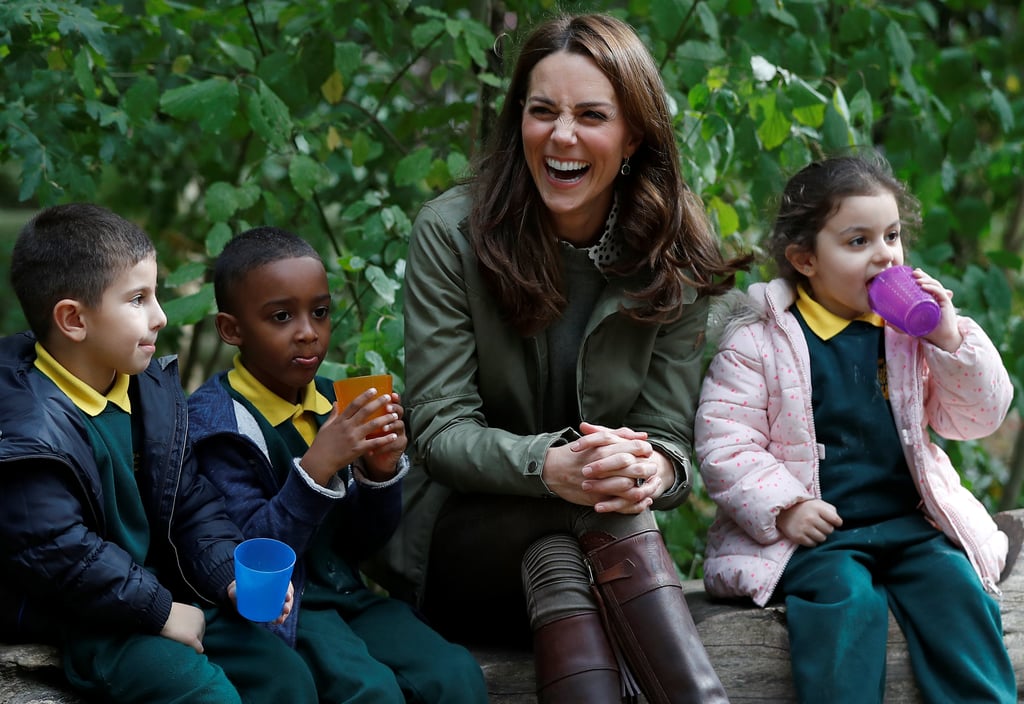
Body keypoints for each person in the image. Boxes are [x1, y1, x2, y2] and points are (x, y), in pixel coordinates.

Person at [366, 12, 750, 704]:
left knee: (565, 556)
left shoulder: (673, 254)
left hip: (587, 557)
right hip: (458, 544)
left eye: (591, 115)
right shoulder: (453, 233)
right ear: (519, 120)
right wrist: (552, 466)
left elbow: (670, 444)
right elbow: (442, 434)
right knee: (599, 511)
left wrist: (651, 466)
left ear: (633, 133)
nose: (561, 136)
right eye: (542, 111)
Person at [695, 153, 1017, 703]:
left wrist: (948, 339)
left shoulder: (911, 336)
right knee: (844, 604)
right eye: (857, 241)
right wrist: (785, 507)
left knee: (957, 590)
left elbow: (977, 417)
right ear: (805, 260)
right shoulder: (759, 341)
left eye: (891, 236)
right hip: (820, 537)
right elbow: (725, 441)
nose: (884, 254)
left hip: (908, 523)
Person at [0, 204, 319, 704]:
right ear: (73, 320)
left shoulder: (148, 390)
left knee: (283, 675)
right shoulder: (26, 428)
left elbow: (190, 502)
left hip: (157, 594)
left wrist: (229, 577)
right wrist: (162, 612)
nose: (161, 316)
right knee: (205, 694)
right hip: (87, 617)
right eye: (137, 299)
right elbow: (63, 554)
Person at [187, 226, 489, 704]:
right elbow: (249, 560)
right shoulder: (218, 423)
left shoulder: (334, 401)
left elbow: (361, 544)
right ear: (232, 329)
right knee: (369, 692)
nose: (308, 331)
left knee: (454, 674)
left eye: (320, 312)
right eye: (281, 316)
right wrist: (315, 469)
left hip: (349, 596)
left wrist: (380, 473)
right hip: (288, 613)